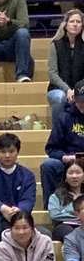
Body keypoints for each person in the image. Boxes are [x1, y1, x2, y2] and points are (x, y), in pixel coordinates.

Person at [39, 79, 84, 210]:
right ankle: (51, 209)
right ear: (74, 99)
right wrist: (64, 157)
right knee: (48, 165)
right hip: (69, 162)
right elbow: (51, 148)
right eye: (81, 101)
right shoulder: (64, 118)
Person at [47, 9, 84, 119]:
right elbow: (52, 73)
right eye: (72, 21)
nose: (75, 24)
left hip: (81, 88)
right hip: (58, 88)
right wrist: (67, 90)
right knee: (59, 98)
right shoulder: (55, 45)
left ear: (82, 26)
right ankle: (58, 129)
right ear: (65, 25)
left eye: (78, 22)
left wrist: (77, 91)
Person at [48, 159, 84, 240]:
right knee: (70, 233)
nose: (74, 176)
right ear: (65, 176)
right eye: (70, 173)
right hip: (64, 227)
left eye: (78, 172)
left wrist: (66, 213)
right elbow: (55, 215)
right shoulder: (56, 196)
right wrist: (79, 216)